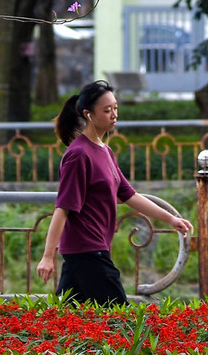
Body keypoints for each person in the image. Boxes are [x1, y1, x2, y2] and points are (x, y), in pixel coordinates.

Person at [37, 79, 191, 304]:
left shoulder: (105, 151)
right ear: (89, 115)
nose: (114, 114)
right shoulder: (79, 155)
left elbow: (129, 195)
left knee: (69, 316)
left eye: (115, 108)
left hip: (91, 247)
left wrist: (171, 219)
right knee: (119, 313)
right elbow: (63, 208)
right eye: (107, 110)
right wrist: (47, 256)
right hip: (87, 248)